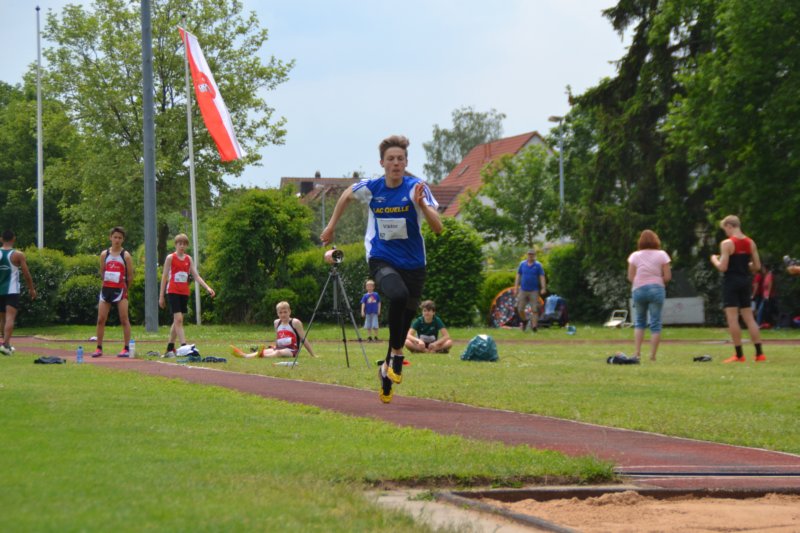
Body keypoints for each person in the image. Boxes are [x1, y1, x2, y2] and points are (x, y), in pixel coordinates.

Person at [320, 135, 442, 404]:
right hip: (381, 258)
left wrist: (422, 205)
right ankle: (397, 355)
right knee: (397, 296)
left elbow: (438, 227)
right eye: (391, 159)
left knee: (404, 321)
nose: (396, 163)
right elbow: (345, 195)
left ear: (406, 162)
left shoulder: (417, 188)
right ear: (382, 163)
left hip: (414, 264)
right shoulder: (372, 187)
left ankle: (385, 373)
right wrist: (331, 226)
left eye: (400, 159)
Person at [710, 215, 766, 363]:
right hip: (745, 281)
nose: (726, 232)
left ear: (729, 226)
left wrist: (714, 260)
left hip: (731, 282)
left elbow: (723, 267)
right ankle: (759, 353)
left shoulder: (727, 243)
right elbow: (757, 266)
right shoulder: (750, 242)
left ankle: (739, 355)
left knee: (732, 318)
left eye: (725, 229)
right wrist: (743, 265)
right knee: (749, 317)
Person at [158, 233, 216, 357]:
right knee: (179, 319)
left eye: (184, 244)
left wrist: (207, 287)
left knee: (177, 321)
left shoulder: (188, 259)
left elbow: (196, 276)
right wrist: (161, 296)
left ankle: (169, 348)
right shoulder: (170, 258)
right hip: (172, 291)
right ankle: (184, 346)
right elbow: (164, 276)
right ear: (176, 245)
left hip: (184, 292)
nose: (182, 246)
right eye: (180, 244)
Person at [627, 229, 672, 361]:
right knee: (655, 322)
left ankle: (637, 353)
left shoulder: (635, 255)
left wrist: (640, 282)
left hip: (639, 289)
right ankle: (652, 355)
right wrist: (657, 281)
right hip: (657, 289)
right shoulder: (662, 255)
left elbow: (630, 277)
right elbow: (667, 277)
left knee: (639, 321)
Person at [93, 226, 135, 358]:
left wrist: (125, 288)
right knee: (101, 319)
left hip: (121, 290)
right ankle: (99, 348)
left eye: (120, 238)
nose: (117, 240)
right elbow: (102, 271)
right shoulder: (104, 254)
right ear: (110, 238)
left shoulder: (125, 256)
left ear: (123, 240)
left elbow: (130, 276)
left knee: (124, 319)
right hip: (106, 289)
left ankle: (126, 348)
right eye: (115, 237)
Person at [231, 301, 316, 358]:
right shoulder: (276, 323)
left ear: (289, 311)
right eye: (280, 313)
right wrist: (274, 347)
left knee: (278, 353)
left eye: (285, 312)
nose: (283, 315)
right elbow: (279, 338)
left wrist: (313, 355)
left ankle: (258, 356)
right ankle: (245, 355)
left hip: (292, 350)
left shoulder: (295, 322)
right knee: (265, 351)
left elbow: (303, 339)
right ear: (277, 313)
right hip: (279, 348)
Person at [0, 230, 37, 355]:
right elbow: (26, 274)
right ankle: (6, 344)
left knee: (2, 318)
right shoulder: (18, 255)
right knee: (10, 317)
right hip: (12, 290)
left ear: (1, 239)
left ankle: (5, 344)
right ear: (14, 239)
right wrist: (31, 289)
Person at [514, 249, 546, 332]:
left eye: (532, 254)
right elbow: (518, 276)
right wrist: (516, 288)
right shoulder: (522, 264)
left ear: (534, 255)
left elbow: (542, 276)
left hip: (534, 291)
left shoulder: (538, 265)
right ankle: (524, 321)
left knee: (534, 309)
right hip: (523, 290)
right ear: (527, 255)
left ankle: (534, 327)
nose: (530, 256)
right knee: (520, 309)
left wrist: (543, 288)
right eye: (529, 254)